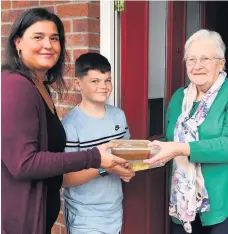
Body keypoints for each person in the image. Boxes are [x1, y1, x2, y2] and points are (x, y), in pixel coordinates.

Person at [1, 8, 127, 234]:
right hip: (22, 218)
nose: (48, 45)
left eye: (54, 38)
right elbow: (23, 164)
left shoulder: (40, 87)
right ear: (18, 42)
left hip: (44, 216)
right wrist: (95, 158)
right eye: (38, 37)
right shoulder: (15, 86)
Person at [144, 29, 228, 234]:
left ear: (221, 63)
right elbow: (170, 140)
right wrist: (145, 152)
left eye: (205, 59)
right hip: (182, 205)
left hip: (219, 206)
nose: (197, 66)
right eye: (191, 60)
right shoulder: (179, 98)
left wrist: (180, 148)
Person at [61, 52, 135, 234]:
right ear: (78, 84)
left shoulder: (119, 115)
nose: (103, 86)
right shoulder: (70, 126)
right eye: (95, 81)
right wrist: (105, 168)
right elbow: (66, 179)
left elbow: (127, 155)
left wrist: (129, 168)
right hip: (84, 216)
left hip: (114, 210)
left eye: (107, 80)